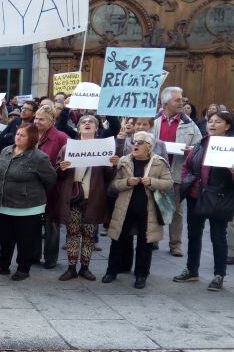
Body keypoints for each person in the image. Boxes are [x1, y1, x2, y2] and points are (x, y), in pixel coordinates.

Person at [102, 131, 173, 289]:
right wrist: (127, 182)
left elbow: (169, 183)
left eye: (140, 142)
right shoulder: (124, 161)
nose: (135, 145)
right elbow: (114, 185)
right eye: (134, 141)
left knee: (145, 243)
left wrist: (152, 181)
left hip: (148, 209)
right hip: (125, 207)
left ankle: (141, 274)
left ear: (149, 146)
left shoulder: (158, 162)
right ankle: (112, 271)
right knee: (118, 239)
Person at [0, 124, 56, 281]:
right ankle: (2, 265)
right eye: (17, 134)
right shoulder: (6, 151)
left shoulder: (39, 157)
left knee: (25, 240)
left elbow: (50, 179)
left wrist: (29, 192)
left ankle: (23, 268)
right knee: (5, 239)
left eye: (23, 135)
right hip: (4, 205)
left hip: (27, 208)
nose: (18, 137)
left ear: (32, 138)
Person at [173, 112, 234, 291]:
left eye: (218, 122)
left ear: (227, 126)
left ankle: (219, 275)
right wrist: (188, 181)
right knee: (193, 235)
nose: (212, 124)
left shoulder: (231, 146)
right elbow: (187, 165)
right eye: (210, 121)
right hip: (196, 195)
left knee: (218, 236)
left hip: (219, 197)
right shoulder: (201, 142)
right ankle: (192, 270)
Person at [55, 115, 117, 281]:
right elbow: (58, 173)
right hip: (74, 197)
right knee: (72, 233)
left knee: (89, 235)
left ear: (97, 128)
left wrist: (112, 164)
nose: (87, 123)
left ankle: (85, 267)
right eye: (83, 122)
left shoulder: (104, 147)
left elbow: (109, 176)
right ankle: (71, 267)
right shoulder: (68, 147)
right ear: (78, 127)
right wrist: (62, 168)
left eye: (91, 122)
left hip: (93, 198)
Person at [152, 87, 202, 257]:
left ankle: (175, 244)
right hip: (155, 172)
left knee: (176, 210)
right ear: (166, 103)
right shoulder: (154, 121)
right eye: (178, 100)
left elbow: (199, 145)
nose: (182, 103)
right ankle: (153, 239)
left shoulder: (190, 124)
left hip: (177, 172)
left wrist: (192, 151)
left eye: (182, 100)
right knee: (153, 206)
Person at [33, 104, 69, 269]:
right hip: (32, 187)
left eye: (41, 119)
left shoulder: (61, 137)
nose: (37, 121)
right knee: (32, 223)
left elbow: (65, 164)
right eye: (36, 118)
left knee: (51, 225)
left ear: (52, 121)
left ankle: (50, 258)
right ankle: (32, 255)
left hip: (52, 188)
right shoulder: (31, 134)